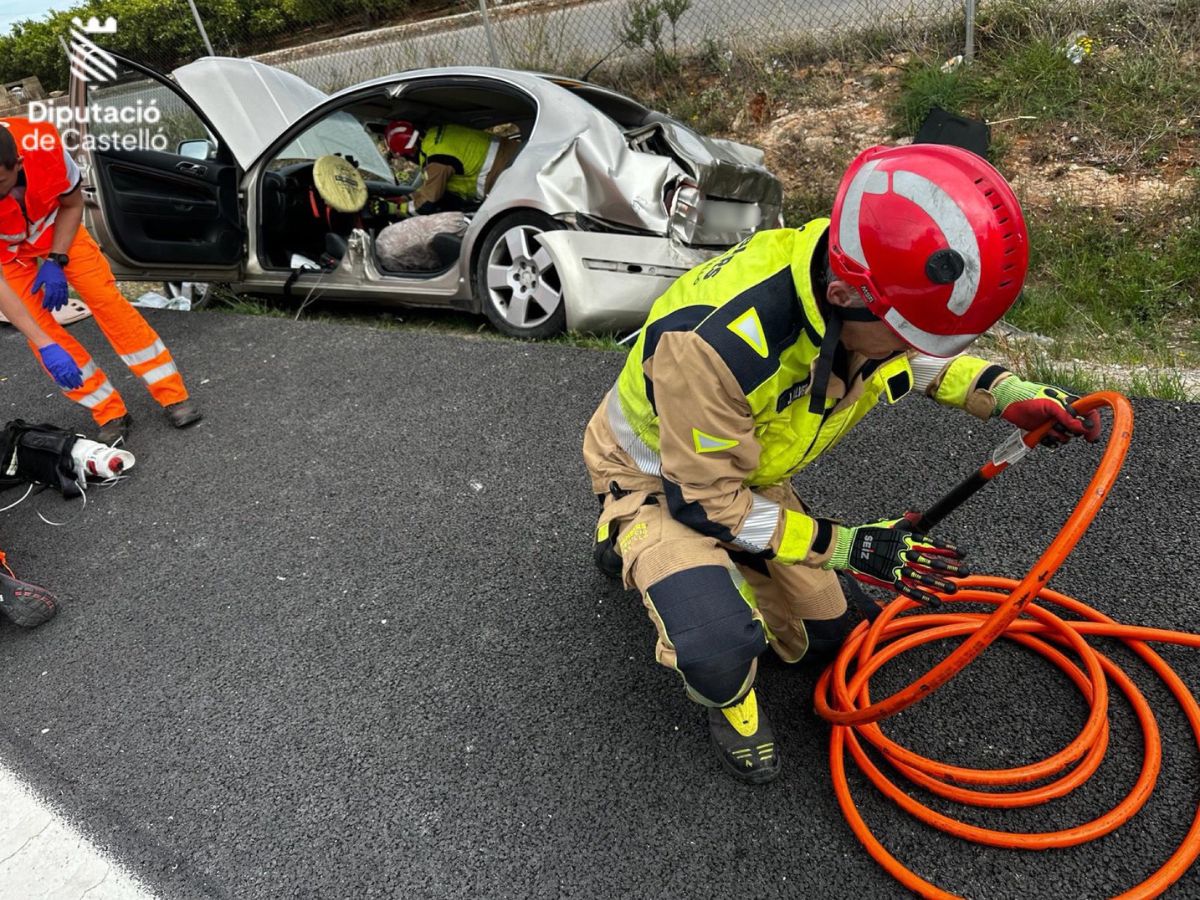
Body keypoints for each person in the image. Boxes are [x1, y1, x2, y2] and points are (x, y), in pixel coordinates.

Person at [582, 143, 1101, 785]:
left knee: (828, 638)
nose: (916, 349)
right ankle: (641, 560)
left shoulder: (865, 281)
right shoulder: (715, 350)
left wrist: (1010, 395)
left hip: (749, 476)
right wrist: (848, 546)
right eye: (909, 333)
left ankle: (722, 572)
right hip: (662, 480)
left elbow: (923, 360)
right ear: (842, 295)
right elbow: (707, 503)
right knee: (719, 642)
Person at [0, 117, 201, 446]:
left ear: (18, 162)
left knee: (107, 303)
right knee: (40, 331)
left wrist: (55, 259)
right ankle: (108, 411)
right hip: (7, 252)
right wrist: (44, 342)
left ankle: (172, 395)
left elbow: (73, 202)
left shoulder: (43, 143)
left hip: (56, 227)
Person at [374, 120, 521, 218]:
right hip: (517, 158)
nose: (407, 160)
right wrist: (401, 199)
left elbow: (427, 205)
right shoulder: (437, 136)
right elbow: (429, 188)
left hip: (508, 180)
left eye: (404, 157)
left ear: (409, 152)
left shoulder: (437, 160)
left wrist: (391, 209)